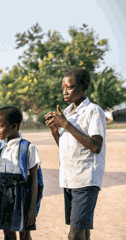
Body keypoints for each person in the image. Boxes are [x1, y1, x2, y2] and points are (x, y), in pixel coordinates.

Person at [44, 68, 106, 240]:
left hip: (86, 179)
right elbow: (65, 147)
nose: (64, 91)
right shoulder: (68, 112)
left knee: (75, 233)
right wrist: (55, 130)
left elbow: (96, 146)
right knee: (83, 231)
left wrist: (65, 124)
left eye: (69, 87)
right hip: (70, 178)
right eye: (63, 87)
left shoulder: (93, 111)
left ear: (84, 87)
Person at [0, 106, 42, 240]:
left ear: (14, 126)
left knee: (24, 234)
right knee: (7, 233)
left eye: (0, 126)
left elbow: (34, 181)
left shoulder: (28, 148)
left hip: (22, 196)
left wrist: (31, 209)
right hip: (3, 195)